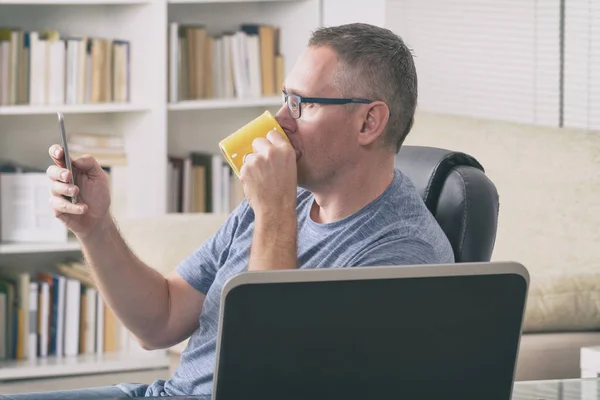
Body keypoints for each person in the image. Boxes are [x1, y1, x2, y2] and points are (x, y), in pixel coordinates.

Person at [0, 22, 454, 400]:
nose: (279, 119)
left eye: (302, 104)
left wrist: (273, 210)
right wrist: (95, 227)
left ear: (369, 122)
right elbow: (158, 321)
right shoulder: (282, 200)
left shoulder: (402, 254)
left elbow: (266, 381)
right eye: (283, 98)